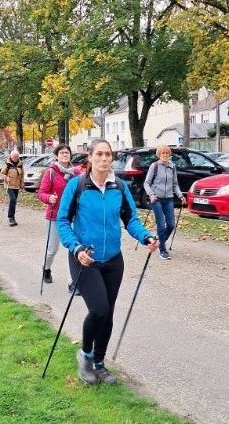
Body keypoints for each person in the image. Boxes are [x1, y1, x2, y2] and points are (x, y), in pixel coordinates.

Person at [57, 139, 158, 385]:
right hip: (85, 258)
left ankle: (100, 364)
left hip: (113, 259)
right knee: (99, 309)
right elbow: (62, 221)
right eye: (99, 154)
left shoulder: (119, 187)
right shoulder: (77, 186)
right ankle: (86, 355)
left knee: (109, 313)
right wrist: (76, 247)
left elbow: (130, 219)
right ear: (90, 157)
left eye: (108, 154)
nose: (104, 158)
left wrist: (145, 236)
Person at [37, 143, 80, 291]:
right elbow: (41, 193)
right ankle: (47, 268)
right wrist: (49, 198)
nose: (64, 155)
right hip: (54, 216)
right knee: (52, 250)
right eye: (61, 153)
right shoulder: (51, 172)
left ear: (70, 155)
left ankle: (72, 282)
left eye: (67, 153)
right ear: (57, 155)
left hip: (72, 216)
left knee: (73, 248)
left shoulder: (76, 173)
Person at [143, 145, 187, 260]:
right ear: (159, 155)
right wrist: (151, 194)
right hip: (156, 199)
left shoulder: (172, 167)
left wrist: (181, 195)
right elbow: (146, 183)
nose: (165, 155)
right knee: (161, 225)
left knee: (171, 224)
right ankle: (163, 250)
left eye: (167, 153)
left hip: (168, 199)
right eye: (163, 153)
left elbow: (175, 184)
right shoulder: (155, 166)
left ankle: (160, 240)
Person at [0, 150, 24, 226]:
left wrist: (22, 184)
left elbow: (22, 175)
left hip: (17, 186)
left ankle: (13, 217)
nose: (16, 158)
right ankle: (10, 217)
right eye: (14, 157)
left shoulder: (20, 163)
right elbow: (2, 174)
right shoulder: (7, 163)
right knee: (12, 199)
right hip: (9, 185)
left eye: (17, 157)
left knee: (14, 201)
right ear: (11, 156)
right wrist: (6, 178)